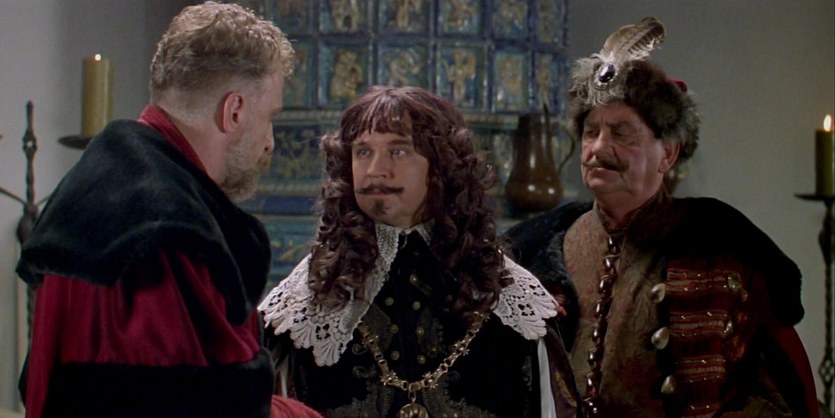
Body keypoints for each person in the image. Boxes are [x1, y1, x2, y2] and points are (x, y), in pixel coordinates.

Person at [16, 2, 320, 417]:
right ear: (234, 111)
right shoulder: (169, 231)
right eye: (269, 118)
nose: (269, 141)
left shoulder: (93, 193)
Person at [504, 17, 818, 418]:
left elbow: (773, 397)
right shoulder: (540, 245)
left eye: (622, 133)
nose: (599, 148)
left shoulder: (721, 247)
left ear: (667, 154)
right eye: (591, 132)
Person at [259, 85, 579, 417]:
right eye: (363, 152)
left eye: (398, 151)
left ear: (442, 165)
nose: (375, 170)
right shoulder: (306, 299)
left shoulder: (510, 297)